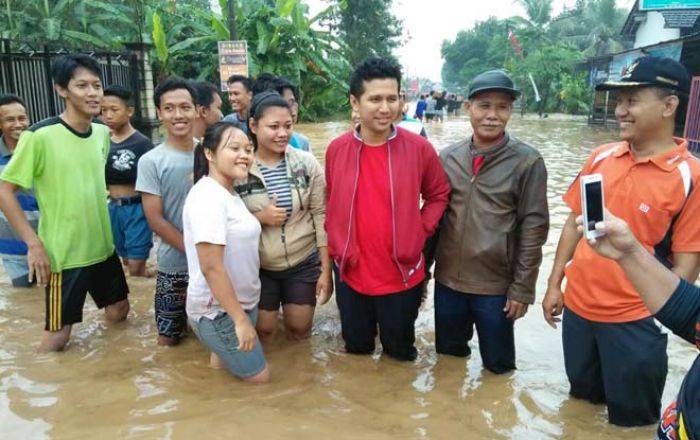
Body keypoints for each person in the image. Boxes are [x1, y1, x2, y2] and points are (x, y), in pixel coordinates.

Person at [542, 56, 700, 426]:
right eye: (620, 100)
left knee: (632, 424)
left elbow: (687, 269)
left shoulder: (691, 177)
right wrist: (553, 285)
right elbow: (573, 226)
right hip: (579, 313)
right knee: (580, 407)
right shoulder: (601, 156)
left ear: (669, 105)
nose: (621, 110)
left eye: (632, 100)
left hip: (635, 324)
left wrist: (652, 322)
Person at [0, 54, 129, 351]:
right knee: (57, 337)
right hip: (64, 255)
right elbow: (5, 190)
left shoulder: (100, 133)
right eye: (82, 85)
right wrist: (34, 245)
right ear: (62, 90)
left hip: (102, 248)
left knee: (119, 310)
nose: (93, 93)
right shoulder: (39, 136)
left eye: (97, 85)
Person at [325, 58, 450, 361]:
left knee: (399, 355)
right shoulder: (337, 149)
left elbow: (439, 194)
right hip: (350, 271)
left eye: (392, 98)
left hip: (401, 272)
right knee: (357, 352)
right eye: (375, 99)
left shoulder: (418, 148)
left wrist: (419, 231)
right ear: (355, 101)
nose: (385, 108)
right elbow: (332, 202)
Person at [431, 70, 549, 374]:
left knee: (498, 370)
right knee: (448, 362)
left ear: (511, 111)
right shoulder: (448, 158)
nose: (492, 115)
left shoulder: (527, 161)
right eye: (484, 106)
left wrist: (522, 288)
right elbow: (434, 219)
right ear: (469, 107)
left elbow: (533, 229)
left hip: (495, 287)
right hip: (448, 283)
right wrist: (421, 274)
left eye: (502, 107)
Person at [577, 211, 699, 440]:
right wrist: (629, 253)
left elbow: (687, 266)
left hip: (632, 316)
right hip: (679, 425)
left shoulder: (689, 177)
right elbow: (692, 313)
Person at [235, 91, 331, 342]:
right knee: (264, 331)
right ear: (253, 126)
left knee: (299, 331)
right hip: (258, 266)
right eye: (274, 126)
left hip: (303, 260)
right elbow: (225, 219)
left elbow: (321, 214)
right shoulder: (239, 167)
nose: (282, 133)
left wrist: (326, 270)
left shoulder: (306, 163)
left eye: (288, 126)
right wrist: (259, 217)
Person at [183, 120, 270, 383]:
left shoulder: (227, 193)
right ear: (209, 153)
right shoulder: (207, 198)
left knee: (222, 377)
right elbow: (211, 267)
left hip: (238, 305)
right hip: (220, 312)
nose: (244, 155)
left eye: (248, 149)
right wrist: (240, 321)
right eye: (234, 148)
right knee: (260, 380)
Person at [136, 77, 197, 346]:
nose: (178, 115)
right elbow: (155, 219)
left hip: (214, 264)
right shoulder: (151, 161)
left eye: (185, 107)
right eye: (169, 108)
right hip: (174, 266)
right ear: (159, 113)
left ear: (197, 110)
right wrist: (194, 250)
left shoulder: (211, 152)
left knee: (211, 336)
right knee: (168, 338)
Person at [101, 85, 154, 278]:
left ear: (129, 111)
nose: (107, 115)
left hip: (137, 208)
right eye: (103, 110)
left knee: (134, 264)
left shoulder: (142, 143)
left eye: (114, 110)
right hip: (113, 208)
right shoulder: (102, 141)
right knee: (125, 259)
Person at [0, 94, 38, 287]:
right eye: (10, 119)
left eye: (22, 118)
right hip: (11, 249)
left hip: (46, 243)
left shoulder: (40, 148)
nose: (18, 124)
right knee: (25, 296)